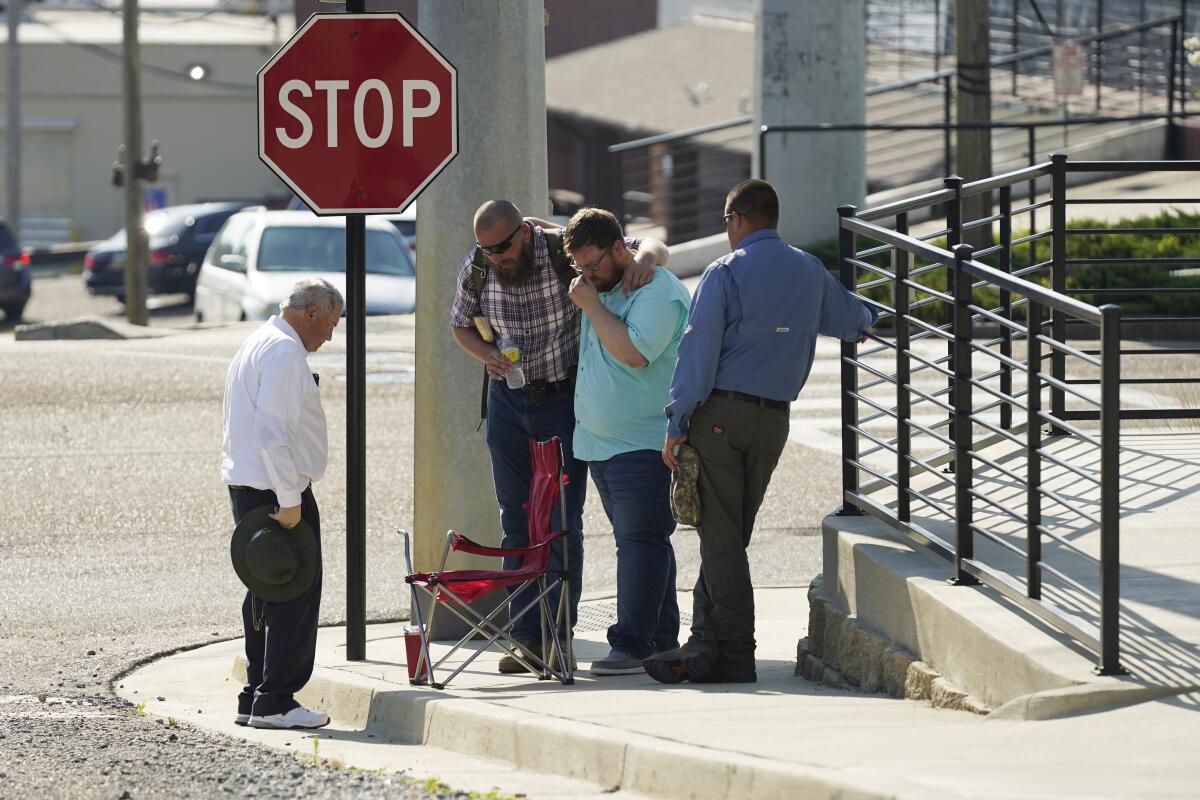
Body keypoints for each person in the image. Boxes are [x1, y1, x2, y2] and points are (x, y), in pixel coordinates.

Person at [646, 179, 875, 685]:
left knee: (722, 541)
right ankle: (706, 642)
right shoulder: (808, 269)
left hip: (720, 418)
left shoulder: (724, 272)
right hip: (774, 421)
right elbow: (858, 321)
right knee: (727, 535)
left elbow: (698, 353)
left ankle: (733, 652)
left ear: (736, 220)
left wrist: (677, 421)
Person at [449, 200, 667, 673]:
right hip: (508, 402)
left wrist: (647, 261)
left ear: (524, 233)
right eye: (487, 249)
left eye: (503, 247)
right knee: (518, 519)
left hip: (564, 401)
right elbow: (459, 325)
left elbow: (644, 247)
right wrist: (484, 352)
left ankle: (557, 636)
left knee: (562, 521)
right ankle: (525, 637)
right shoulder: (479, 266)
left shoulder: (558, 249)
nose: (497, 257)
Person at [562, 207, 690, 676]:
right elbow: (538, 224)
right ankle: (660, 639)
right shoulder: (607, 271)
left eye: (593, 265)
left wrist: (591, 306)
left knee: (639, 541)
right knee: (645, 542)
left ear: (620, 248)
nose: (587, 275)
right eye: (581, 268)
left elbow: (636, 354)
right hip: (603, 444)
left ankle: (632, 644)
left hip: (644, 442)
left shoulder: (653, 289)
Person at [221, 278, 343, 728]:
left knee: (265, 592)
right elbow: (274, 433)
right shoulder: (284, 352)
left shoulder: (259, 341)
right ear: (311, 312)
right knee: (293, 594)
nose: (329, 336)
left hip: (252, 488)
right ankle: (276, 700)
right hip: (276, 492)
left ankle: (255, 694)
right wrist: (291, 502)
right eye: (330, 324)